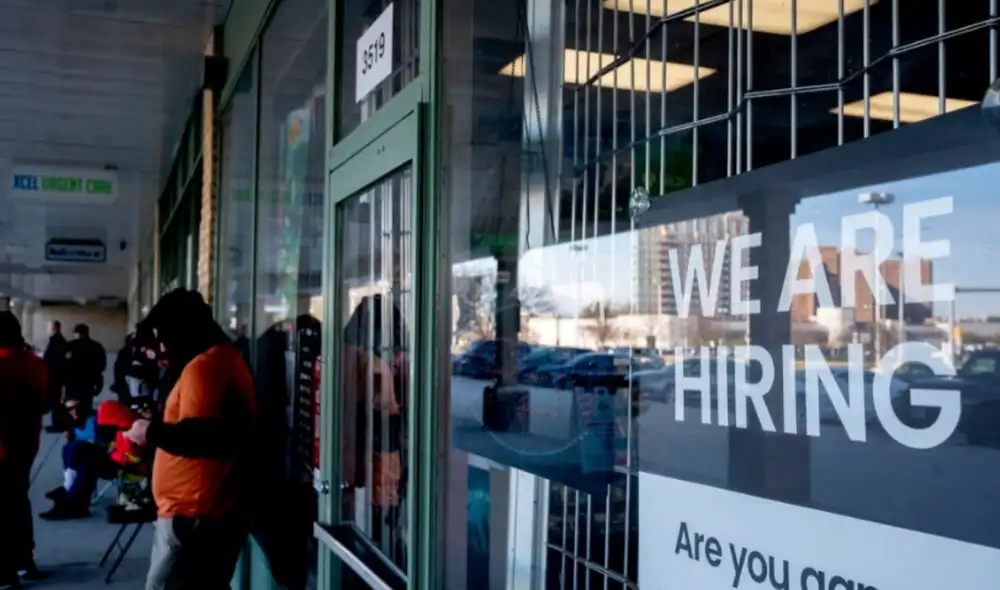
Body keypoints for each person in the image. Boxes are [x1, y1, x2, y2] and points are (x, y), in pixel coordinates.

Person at [124, 289, 257, 590]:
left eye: (163, 336)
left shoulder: (204, 367)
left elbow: (203, 437)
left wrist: (149, 432)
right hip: (202, 512)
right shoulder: (218, 359)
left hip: (195, 515)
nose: (159, 349)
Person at [0, 311, 50, 588]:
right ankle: (24, 560)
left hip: (2, 449)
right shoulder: (35, 365)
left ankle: (5, 571)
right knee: (18, 502)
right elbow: (45, 403)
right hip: (26, 446)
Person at [65, 323, 107, 412]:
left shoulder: (71, 346)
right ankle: (84, 424)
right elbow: (101, 365)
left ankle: (74, 424)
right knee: (86, 407)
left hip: (73, 382)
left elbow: (65, 364)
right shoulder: (96, 347)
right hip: (88, 383)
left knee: (72, 409)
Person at [43, 320, 69, 432]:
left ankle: (58, 424)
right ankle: (57, 423)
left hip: (55, 376)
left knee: (56, 401)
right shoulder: (58, 340)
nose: (47, 329)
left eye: (48, 327)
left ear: (53, 328)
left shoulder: (57, 341)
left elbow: (56, 359)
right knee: (56, 401)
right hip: (57, 376)